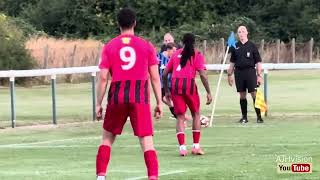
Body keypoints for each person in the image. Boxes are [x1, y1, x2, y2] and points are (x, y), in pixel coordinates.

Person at [95, 8, 162, 180]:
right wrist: (159, 102)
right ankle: (153, 177)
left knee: (107, 139)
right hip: (139, 96)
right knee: (146, 141)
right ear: (134, 23)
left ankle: (101, 176)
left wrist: (98, 103)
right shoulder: (146, 46)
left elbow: (103, 78)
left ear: (118, 25)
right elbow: (155, 77)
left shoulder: (109, 46)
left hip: (117, 96)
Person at [162, 33, 212, 156]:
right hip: (188, 86)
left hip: (175, 86)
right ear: (194, 42)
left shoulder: (175, 54)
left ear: (182, 42)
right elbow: (203, 74)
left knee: (180, 117)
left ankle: (182, 148)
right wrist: (208, 92)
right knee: (196, 114)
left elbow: (164, 74)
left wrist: (167, 91)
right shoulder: (196, 54)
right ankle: (196, 147)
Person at [227, 25, 264, 124]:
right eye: (239, 32)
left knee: (254, 94)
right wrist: (229, 75)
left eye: (243, 31)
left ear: (247, 32)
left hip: (250, 72)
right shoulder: (235, 46)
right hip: (239, 73)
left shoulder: (252, 46)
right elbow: (232, 62)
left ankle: (259, 117)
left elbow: (258, 62)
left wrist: (259, 75)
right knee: (242, 95)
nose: (241, 33)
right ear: (237, 34)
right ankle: (244, 117)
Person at [158, 42, 177, 117]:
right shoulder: (158, 57)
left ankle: (181, 116)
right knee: (165, 99)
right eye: (174, 51)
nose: (175, 53)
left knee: (172, 101)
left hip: (171, 84)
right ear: (168, 50)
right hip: (161, 85)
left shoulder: (173, 59)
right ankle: (181, 116)